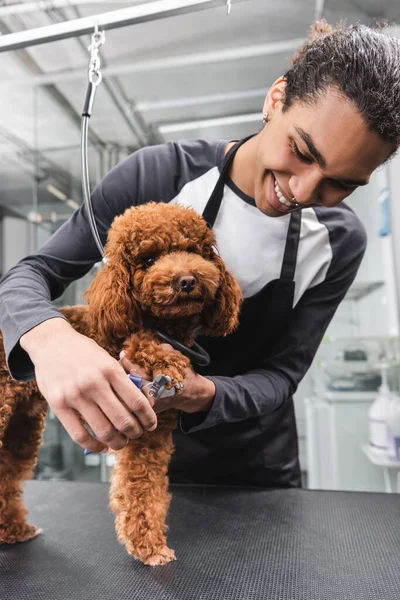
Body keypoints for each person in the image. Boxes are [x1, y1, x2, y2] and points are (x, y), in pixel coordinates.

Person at [1, 20, 399, 487]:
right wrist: (53, 341)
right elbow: (32, 273)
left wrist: (201, 393)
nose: (304, 189)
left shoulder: (337, 240)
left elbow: (282, 375)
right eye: (302, 151)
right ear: (276, 99)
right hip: (145, 459)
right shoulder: (157, 175)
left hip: (260, 471)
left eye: (343, 183)